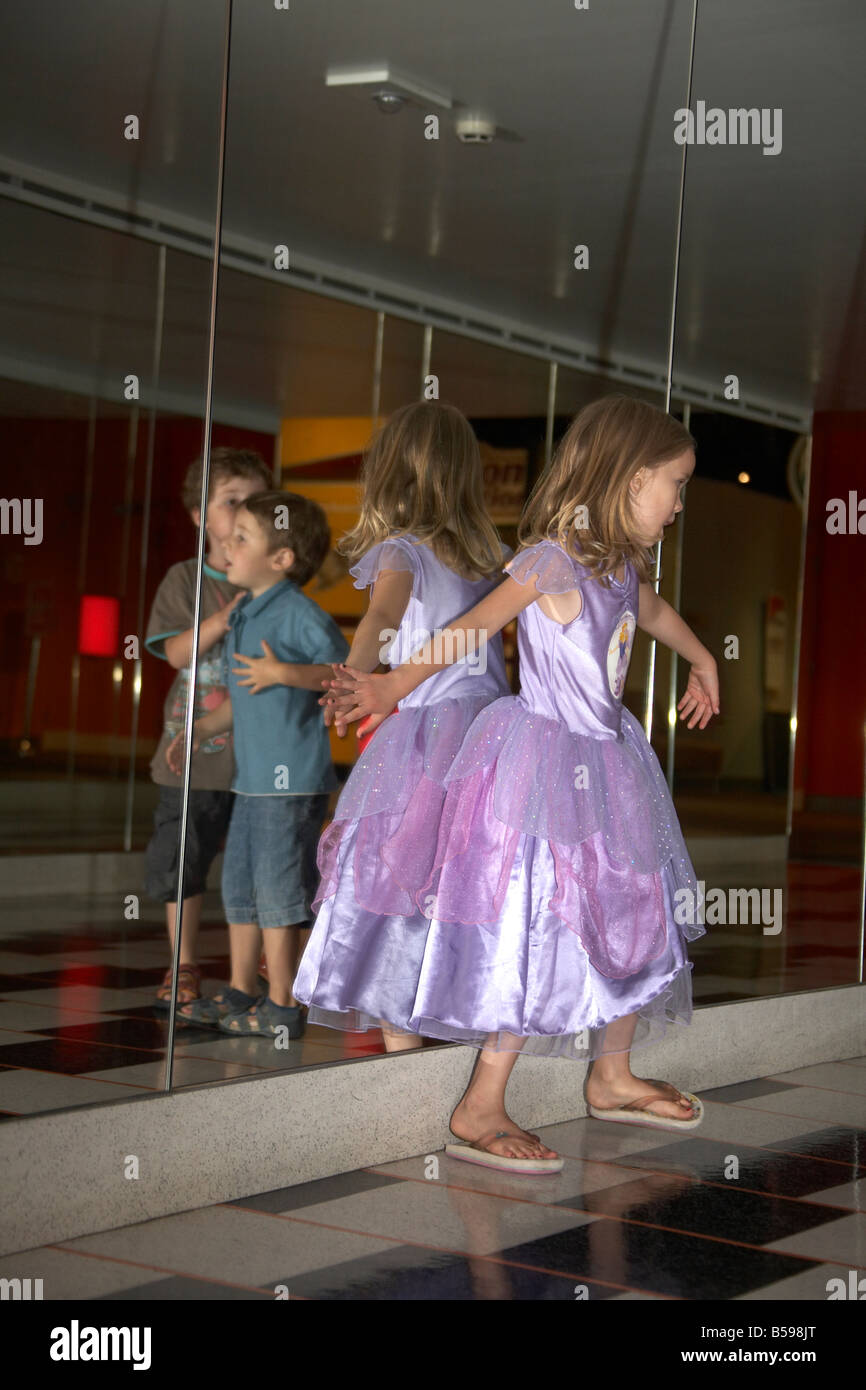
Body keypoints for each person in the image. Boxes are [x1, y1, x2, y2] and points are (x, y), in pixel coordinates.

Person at [324, 395, 720, 1174]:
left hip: (611, 758)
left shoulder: (620, 564)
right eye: (675, 484)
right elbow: (469, 628)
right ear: (631, 478)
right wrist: (389, 687)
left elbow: (651, 608)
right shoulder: (551, 559)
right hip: (544, 762)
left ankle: (611, 1073)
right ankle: (481, 1103)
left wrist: (703, 657)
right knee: (537, 918)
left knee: (637, 906)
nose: (679, 503)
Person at [292, 401, 515, 1064]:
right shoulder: (492, 555)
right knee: (469, 878)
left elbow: (380, 619)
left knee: (394, 876)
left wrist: (356, 677)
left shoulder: (403, 550)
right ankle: (466, 1004)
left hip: (427, 732)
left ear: (390, 473)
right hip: (492, 732)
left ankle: (401, 1038)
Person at [166, 491, 349, 1039]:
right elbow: (245, 695)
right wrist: (197, 731)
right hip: (252, 785)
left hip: (288, 784)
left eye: (242, 537)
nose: (228, 543)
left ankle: (283, 1003)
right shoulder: (244, 609)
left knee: (277, 890)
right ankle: (243, 989)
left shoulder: (297, 612)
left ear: (282, 559)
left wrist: (283, 674)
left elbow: (340, 673)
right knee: (241, 887)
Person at [144, 446, 272, 1009]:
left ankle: (265, 967)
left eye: (256, 501)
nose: (245, 512)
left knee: (259, 862)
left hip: (260, 756)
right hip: (190, 752)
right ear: (199, 515)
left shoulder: (275, 575)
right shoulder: (183, 579)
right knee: (183, 859)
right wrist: (224, 616)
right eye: (231, 501)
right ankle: (183, 964)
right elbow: (173, 653)